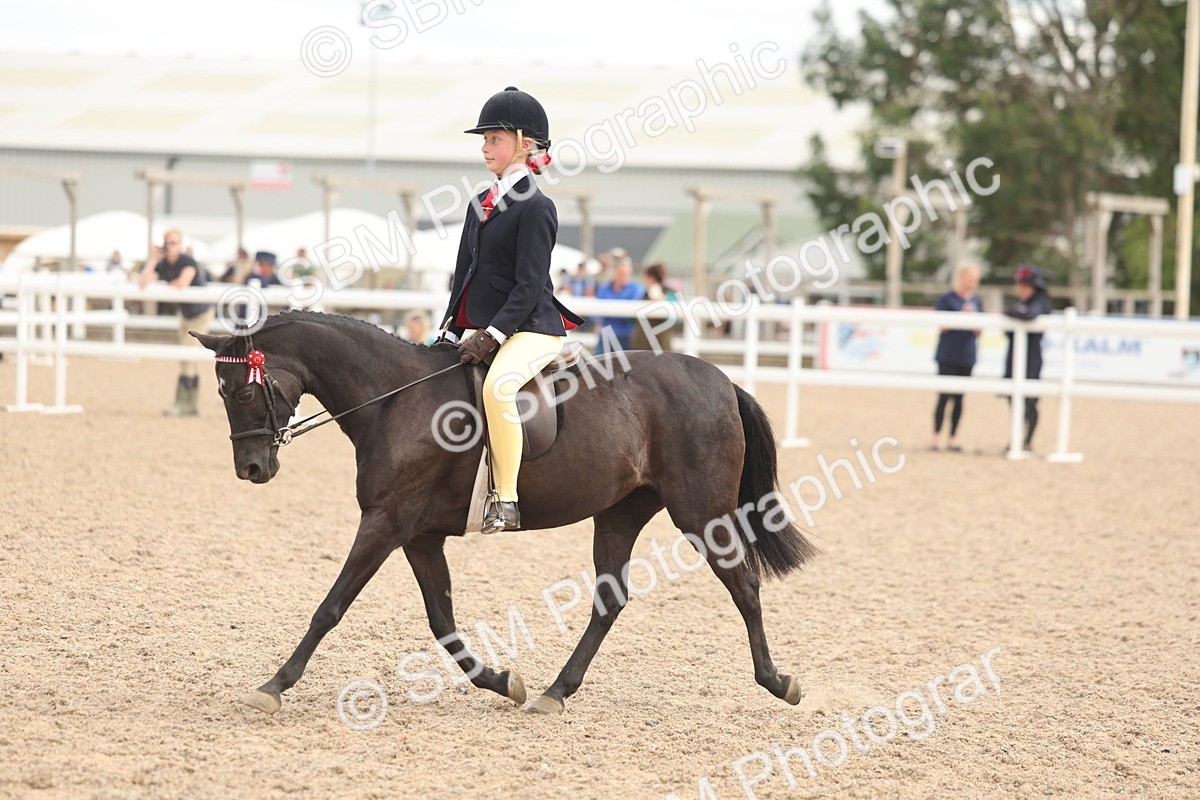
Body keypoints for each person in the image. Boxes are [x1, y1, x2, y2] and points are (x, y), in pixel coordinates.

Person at [437, 86, 584, 534]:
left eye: (494, 139)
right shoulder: (479, 203)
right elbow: (463, 274)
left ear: (523, 144)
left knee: (499, 388)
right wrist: (450, 329)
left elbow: (529, 285)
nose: (485, 147)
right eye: (484, 140)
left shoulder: (537, 207)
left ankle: (506, 499)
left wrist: (493, 335)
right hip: (489, 326)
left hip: (532, 327)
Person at [138, 229, 213, 416]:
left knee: (187, 354)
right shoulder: (163, 263)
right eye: (168, 243)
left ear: (180, 244)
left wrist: (166, 284)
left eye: (174, 243)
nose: (170, 247)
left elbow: (182, 282)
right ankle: (189, 403)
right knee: (188, 356)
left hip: (200, 313)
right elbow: (143, 282)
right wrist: (153, 259)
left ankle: (184, 402)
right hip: (186, 314)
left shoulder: (188, 261)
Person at [931, 261, 982, 451]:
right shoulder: (947, 299)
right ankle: (936, 437)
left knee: (960, 399)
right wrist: (961, 315)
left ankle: (953, 438)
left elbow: (980, 330)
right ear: (960, 278)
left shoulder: (977, 301)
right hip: (948, 354)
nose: (973, 282)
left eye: (975, 279)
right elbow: (941, 326)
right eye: (970, 278)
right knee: (943, 396)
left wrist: (973, 321)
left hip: (966, 356)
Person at [1003, 264, 1053, 453]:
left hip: (1030, 358)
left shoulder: (1040, 302)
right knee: (1014, 399)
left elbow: (1029, 315)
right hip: (1015, 356)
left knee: (1030, 401)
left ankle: (1027, 440)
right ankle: (1018, 438)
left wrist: (1010, 313)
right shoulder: (1022, 303)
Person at [594, 256, 645, 353]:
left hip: (627, 334)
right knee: (598, 360)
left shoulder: (636, 289)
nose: (624, 277)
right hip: (607, 333)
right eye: (621, 274)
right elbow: (596, 311)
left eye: (626, 274)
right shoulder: (604, 288)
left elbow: (631, 312)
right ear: (615, 273)